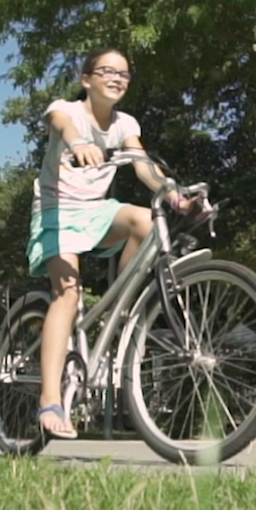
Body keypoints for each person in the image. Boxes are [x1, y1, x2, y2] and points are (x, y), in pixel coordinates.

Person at [27, 47, 192, 439]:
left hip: (96, 211)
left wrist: (172, 193)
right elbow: (62, 124)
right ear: (87, 79)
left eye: (124, 74)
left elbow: (142, 165)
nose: (117, 79)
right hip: (57, 213)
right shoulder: (66, 109)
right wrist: (78, 143)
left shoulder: (125, 123)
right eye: (107, 72)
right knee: (66, 295)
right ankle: (50, 400)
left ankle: (120, 305)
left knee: (145, 220)